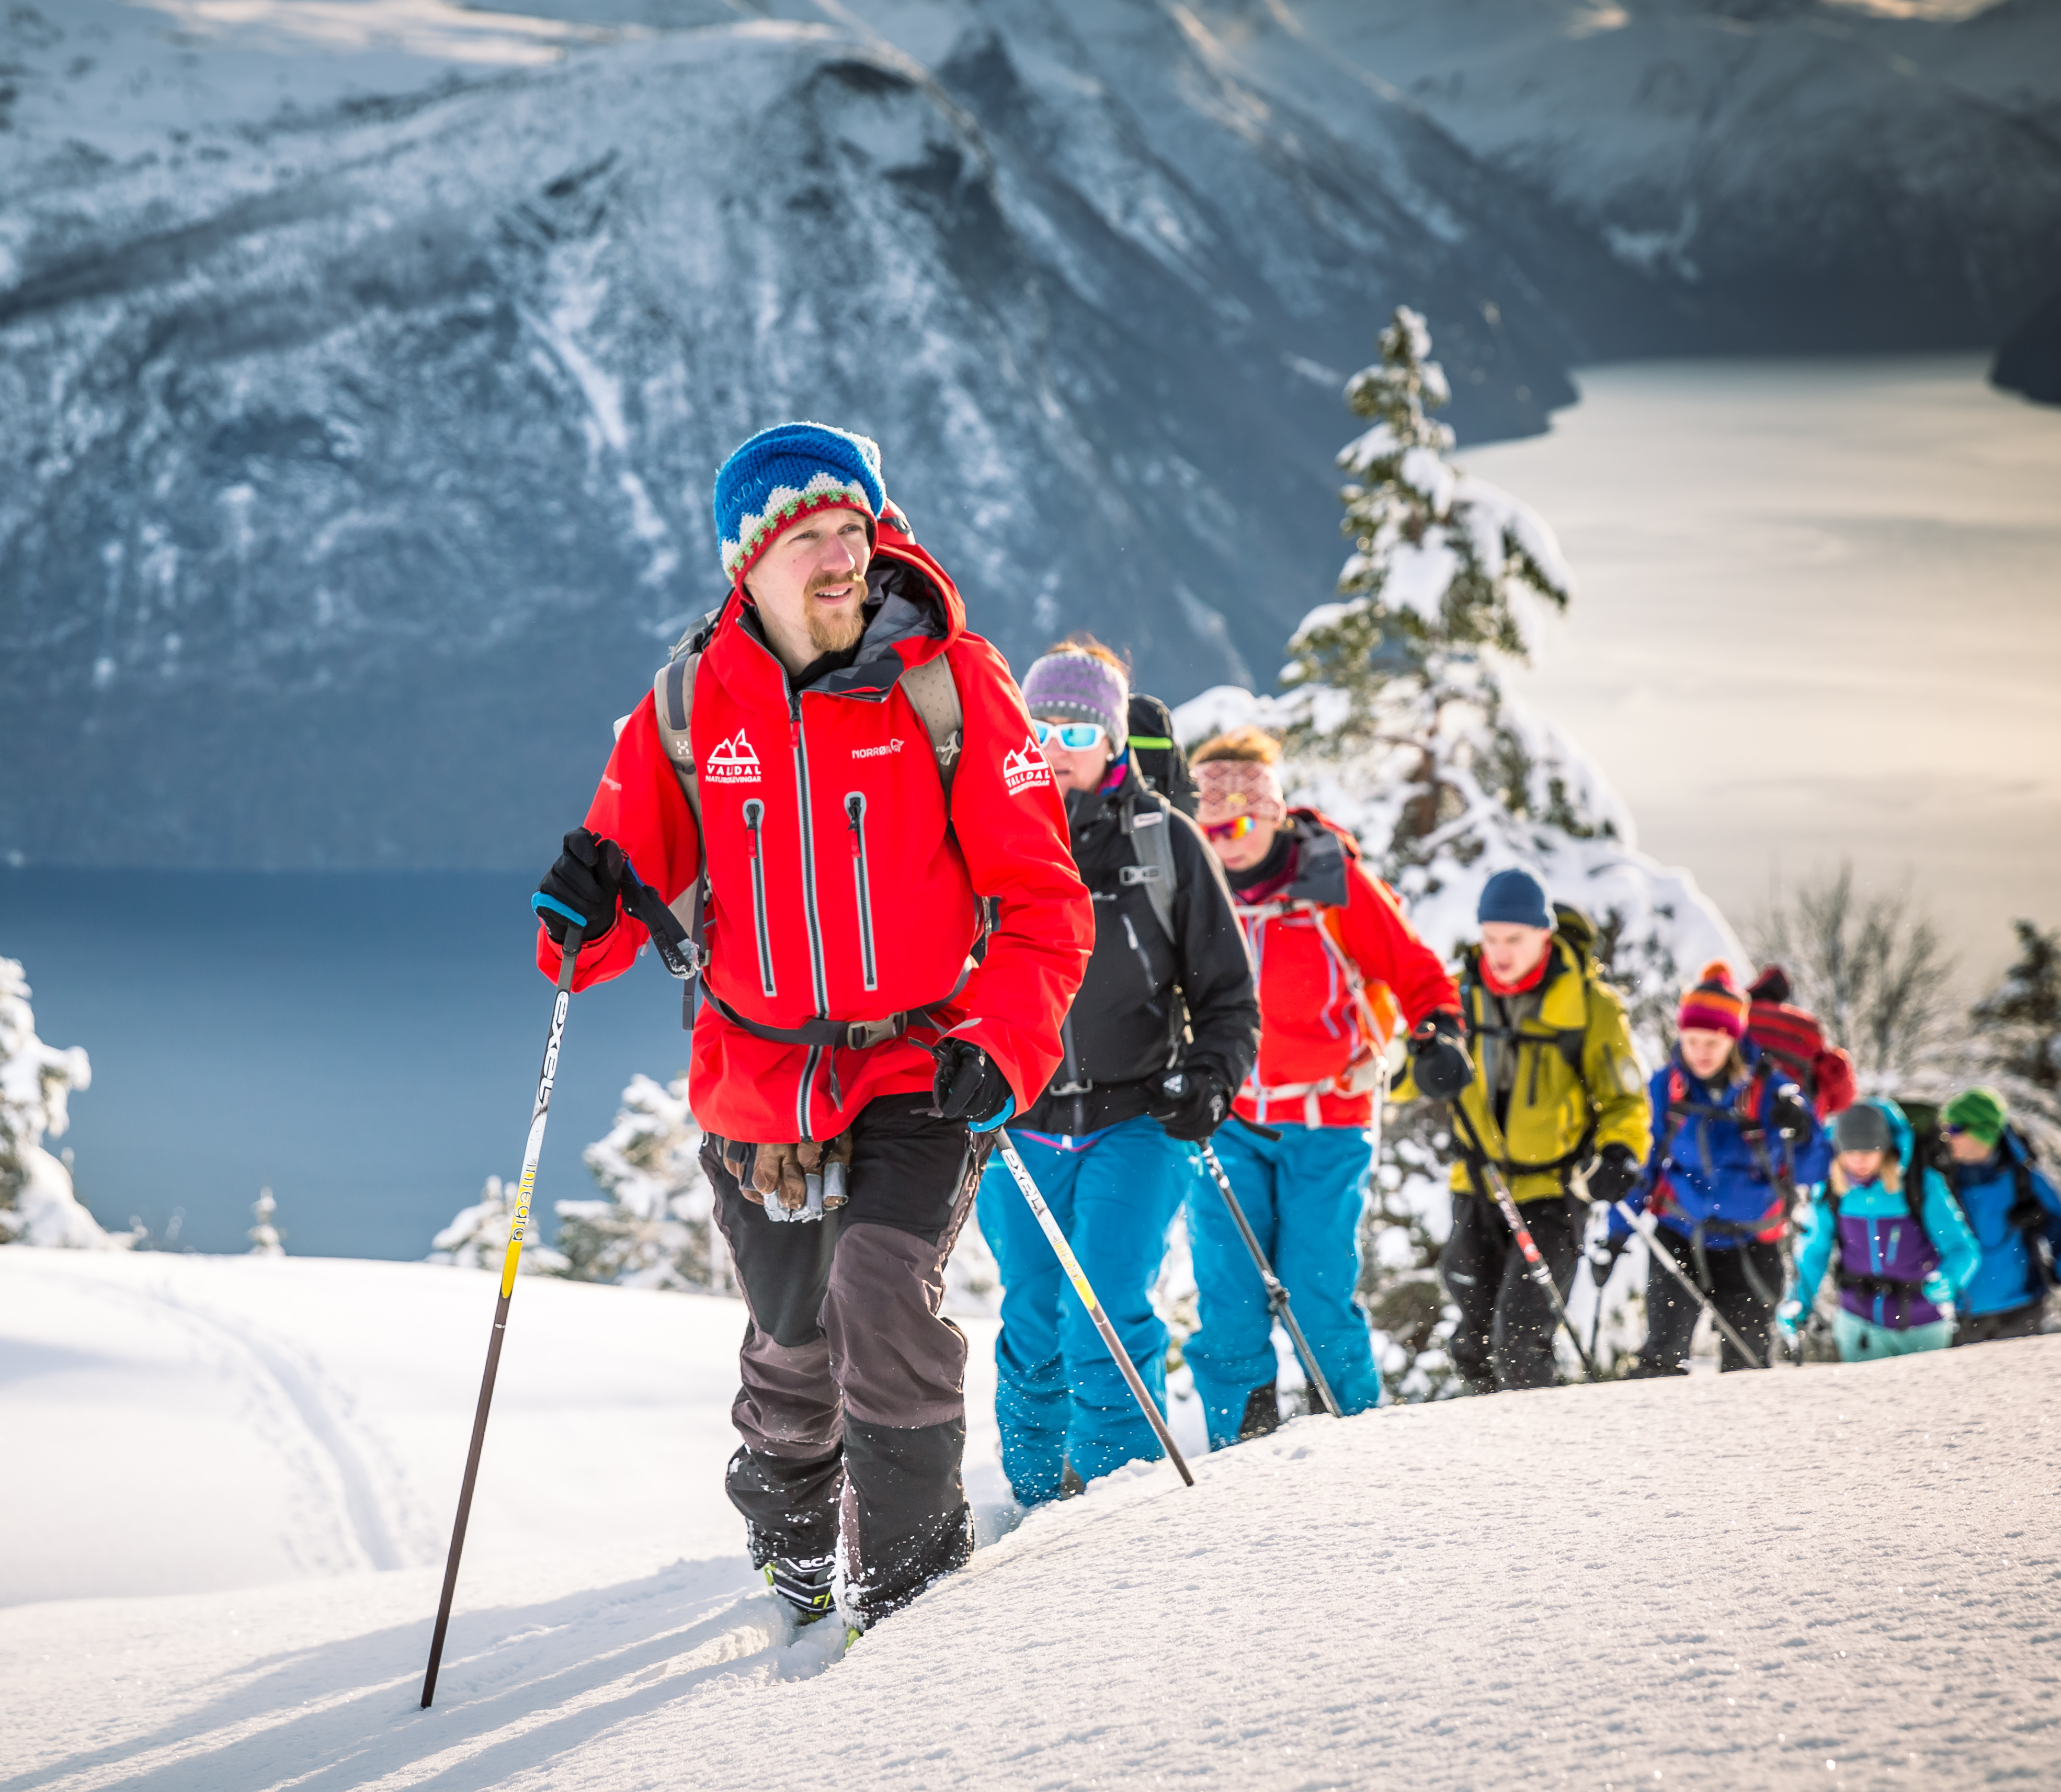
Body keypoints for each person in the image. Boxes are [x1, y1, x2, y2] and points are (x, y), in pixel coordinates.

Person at [533, 422, 1090, 1631]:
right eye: (810, 540)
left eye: (856, 531)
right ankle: (791, 1532)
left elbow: (1047, 905)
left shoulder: (952, 684)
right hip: (757, 1077)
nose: (842, 560)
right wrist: (579, 908)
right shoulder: (688, 707)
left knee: (881, 1288)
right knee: (791, 1340)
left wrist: (1001, 1040)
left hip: (921, 1061)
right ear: (750, 563)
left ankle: (909, 1584)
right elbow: (600, 927)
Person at [974, 637, 1258, 1505]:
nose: (1053, 750)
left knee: (1101, 1306)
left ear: (1108, 741)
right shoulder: (989, 837)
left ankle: (1111, 1508)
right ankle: (1032, 1497)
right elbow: (948, 970)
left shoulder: (1163, 843)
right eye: (1038, 732)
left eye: (1072, 733)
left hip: (1135, 1119)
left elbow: (1225, 996)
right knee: (1028, 1316)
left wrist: (1209, 1079)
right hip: (1015, 1120)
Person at [1180, 727, 1460, 1446]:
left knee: (1313, 1290)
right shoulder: (1194, 885)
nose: (1223, 841)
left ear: (1271, 813)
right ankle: (1239, 1445)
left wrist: (1441, 1030)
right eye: (1207, 828)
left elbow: (1414, 967)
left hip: (1326, 1117)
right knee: (1229, 1298)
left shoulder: (1328, 882)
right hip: (1229, 1119)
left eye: (1238, 824)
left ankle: (1351, 1441)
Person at [1432, 869, 1652, 1391]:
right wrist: (1419, 1062)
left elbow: (1625, 1098)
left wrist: (1621, 1151)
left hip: (1555, 1191)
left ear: (1544, 937)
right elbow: (1397, 1065)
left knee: (1520, 1341)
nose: (1500, 952)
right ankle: (1485, 1455)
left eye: (1514, 939)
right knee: (1473, 1341)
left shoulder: (1590, 1006)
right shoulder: (1459, 996)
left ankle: (1538, 1464)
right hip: (1478, 1183)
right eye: (1490, 939)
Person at [1606, 963, 1824, 1378]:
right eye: (1691, 1040)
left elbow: (1812, 1170)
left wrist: (1801, 1131)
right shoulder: (1665, 1087)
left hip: (1751, 1243)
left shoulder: (1771, 1093)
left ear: (1733, 1038)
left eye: (1712, 1041)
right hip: (1680, 1235)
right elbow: (1647, 1165)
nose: (1700, 1052)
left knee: (1747, 1365)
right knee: (1659, 1359)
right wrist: (1615, 1234)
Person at [1779, 1099, 1983, 1362]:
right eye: (1851, 1152)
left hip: (1924, 1323)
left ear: (1886, 1148)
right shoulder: (1831, 1190)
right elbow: (1814, 1253)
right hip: (1858, 1324)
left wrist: (1950, 1279)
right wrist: (1797, 1302)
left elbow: (1962, 1248)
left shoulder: (1922, 1185)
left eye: (1869, 1151)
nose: (1859, 1161)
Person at [1937, 1087, 2061, 1344]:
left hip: (2023, 1308)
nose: (1947, 1137)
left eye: (1956, 1129)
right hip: (1963, 1313)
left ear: (1983, 1131)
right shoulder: (1941, 1178)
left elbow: (2059, 1227)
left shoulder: (2025, 1177)